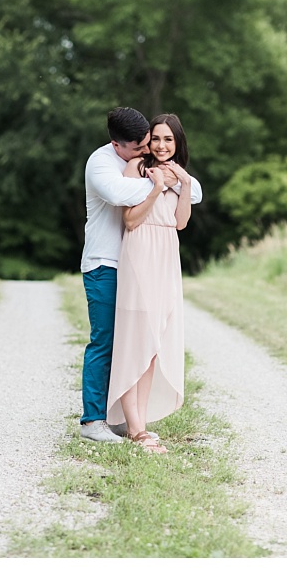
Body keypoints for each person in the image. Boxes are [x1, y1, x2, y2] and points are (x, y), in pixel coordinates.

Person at [107, 113, 200, 453]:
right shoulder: (137, 170)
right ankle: (134, 429)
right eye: (156, 139)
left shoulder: (179, 176)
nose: (161, 145)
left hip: (166, 256)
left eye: (168, 140)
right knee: (136, 339)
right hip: (140, 251)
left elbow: (180, 224)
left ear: (177, 143)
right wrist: (156, 187)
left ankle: (140, 424)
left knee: (152, 347)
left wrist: (183, 184)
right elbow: (130, 221)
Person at [78, 106, 167, 443]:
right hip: (105, 264)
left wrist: (173, 180)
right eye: (138, 147)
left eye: (147, 143)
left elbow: (196, 192)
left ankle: (117, 417)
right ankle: (92, 422)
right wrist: (160, 185)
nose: (146, 150)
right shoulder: (100, 163)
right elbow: (118, 194)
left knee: (130, 343)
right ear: (117, 145)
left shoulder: (141, 159)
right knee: (105, 341)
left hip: (136, 267)